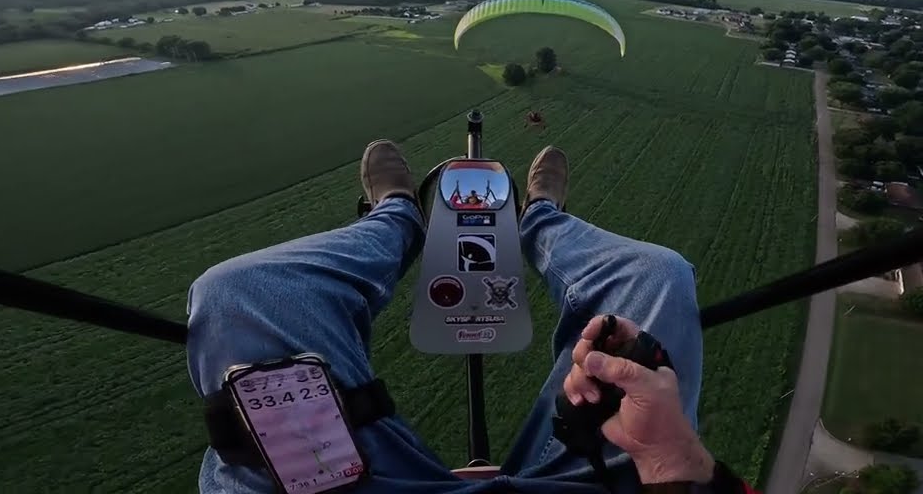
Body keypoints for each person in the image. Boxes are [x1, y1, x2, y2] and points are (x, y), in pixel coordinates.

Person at [186, 141, 757, 493]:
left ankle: (395, 219)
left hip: (339, 485)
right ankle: (542, 218)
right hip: (605, 483)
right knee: (658, 274)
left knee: (236, 293)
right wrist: (670, 455)